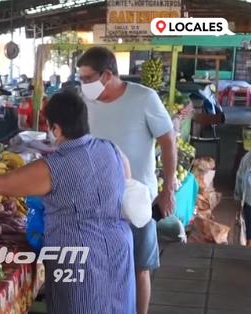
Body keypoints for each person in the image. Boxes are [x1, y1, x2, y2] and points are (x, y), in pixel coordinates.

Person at [0, 91, 136, 314]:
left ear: (56, 128)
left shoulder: (55, 166)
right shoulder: (112, 149)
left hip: (78, 255)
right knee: (118, 306)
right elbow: (126, 180)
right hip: (118, 245)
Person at [77, 47, 176, 314]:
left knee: (139, 267)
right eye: (82, 79)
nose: (83, 85)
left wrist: (168, 188)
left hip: (136, 200)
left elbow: (168, 141)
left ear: (107, 74)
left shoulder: (144, 98)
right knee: (98, 265)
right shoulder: (84, 103)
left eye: (87, 79)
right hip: (95, 199)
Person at [235, 151, 251, 246]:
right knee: (249, 234)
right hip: (248, 203)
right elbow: (239, 178)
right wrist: (238, 199)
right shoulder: (247, 158)